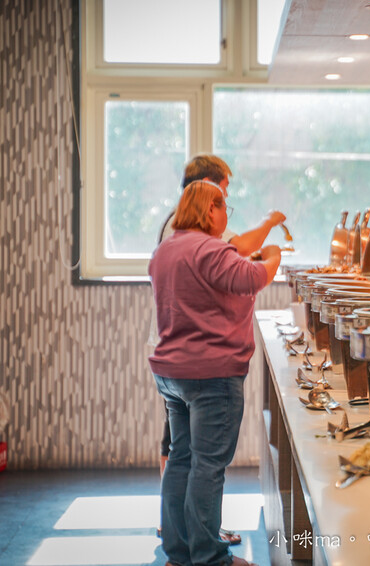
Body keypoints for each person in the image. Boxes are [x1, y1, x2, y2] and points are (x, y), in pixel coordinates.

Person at [152, 154, 285, 545]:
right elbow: (252, 278)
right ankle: (209, 555)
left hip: (172, 371)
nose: (227, 214)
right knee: (208, 467)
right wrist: (273, 257)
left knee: (181, 459)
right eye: (225, 205)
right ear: (210, 210)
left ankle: (180, 550)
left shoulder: (167, 248)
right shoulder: (209, 248)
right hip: (210, 373)